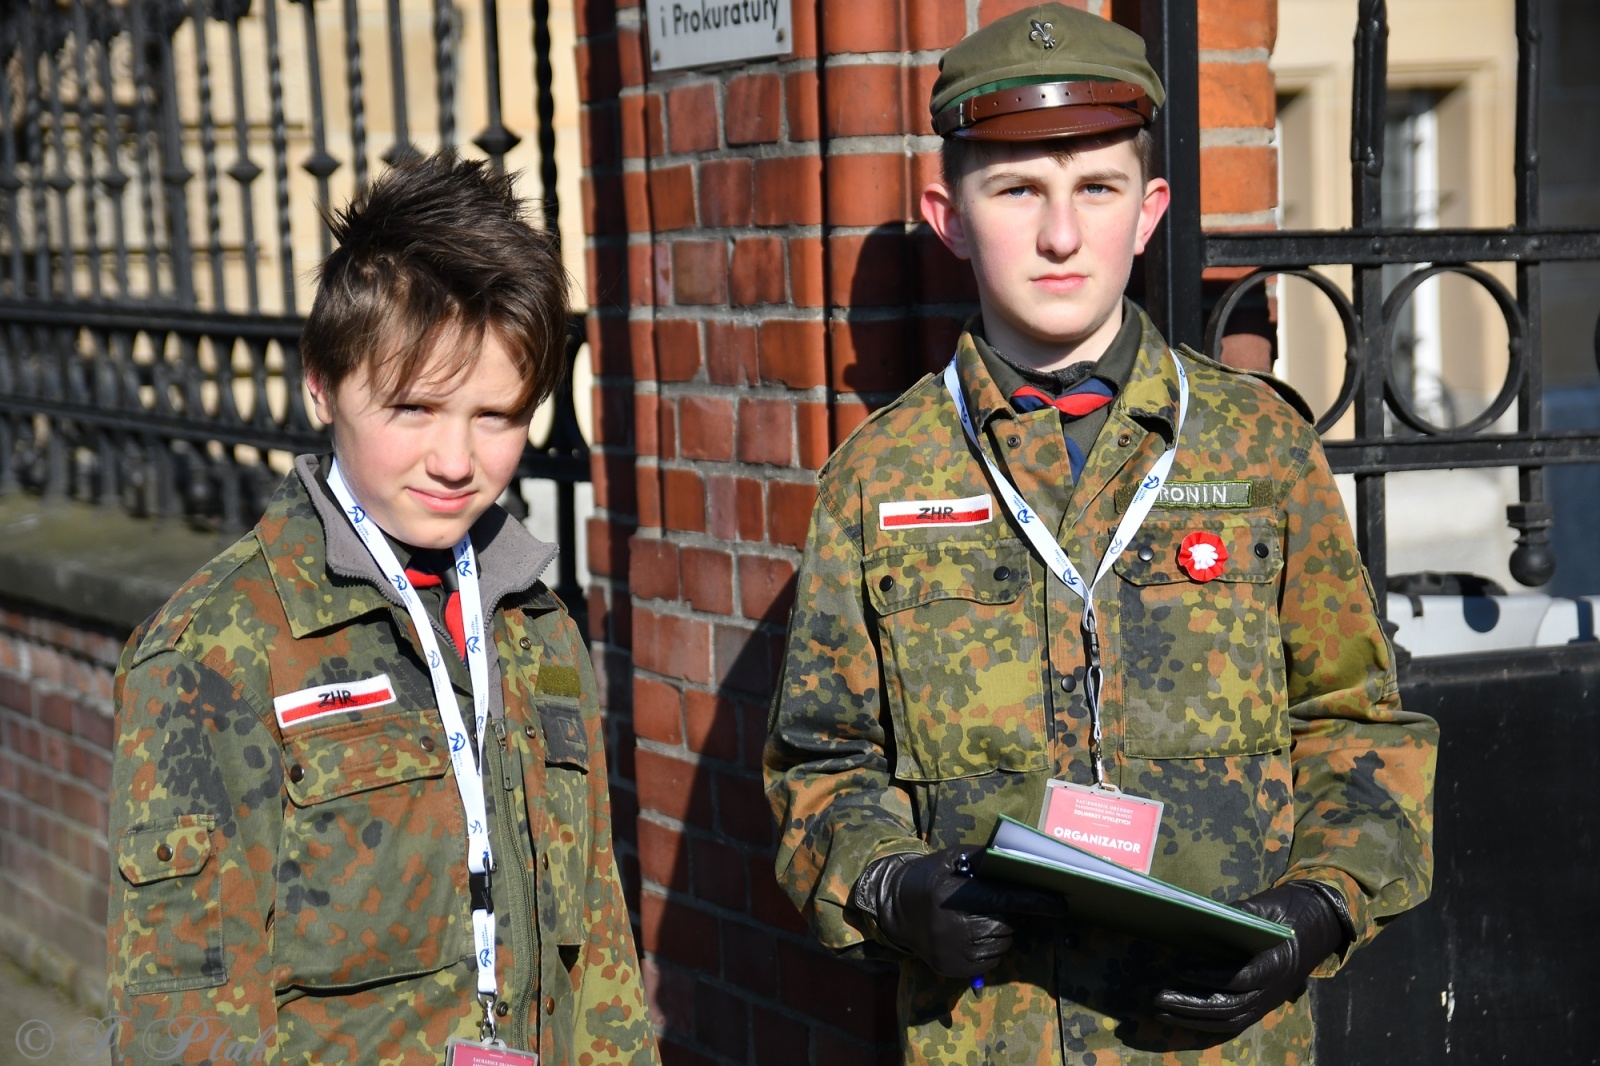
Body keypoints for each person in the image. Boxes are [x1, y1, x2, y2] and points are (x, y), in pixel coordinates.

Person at [763, 5, 1438, 1063]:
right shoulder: (877, 478)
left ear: (1149, 209)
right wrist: (891, 887)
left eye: (1096, 188)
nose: (1061, 234)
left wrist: (1316, 909)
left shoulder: (1259, 448)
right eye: (1017, 190)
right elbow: (820, 762)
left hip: (1224, 1043)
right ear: (948, 214)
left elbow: (1359, 723)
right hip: (988, 1035)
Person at [106, 154, 659, 1066]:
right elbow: (186, 1018)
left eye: (497, 416)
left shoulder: (535, 624)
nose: (456, 459)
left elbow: (596, 946)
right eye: (413, 408)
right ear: (322, 385)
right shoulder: (217, 651)